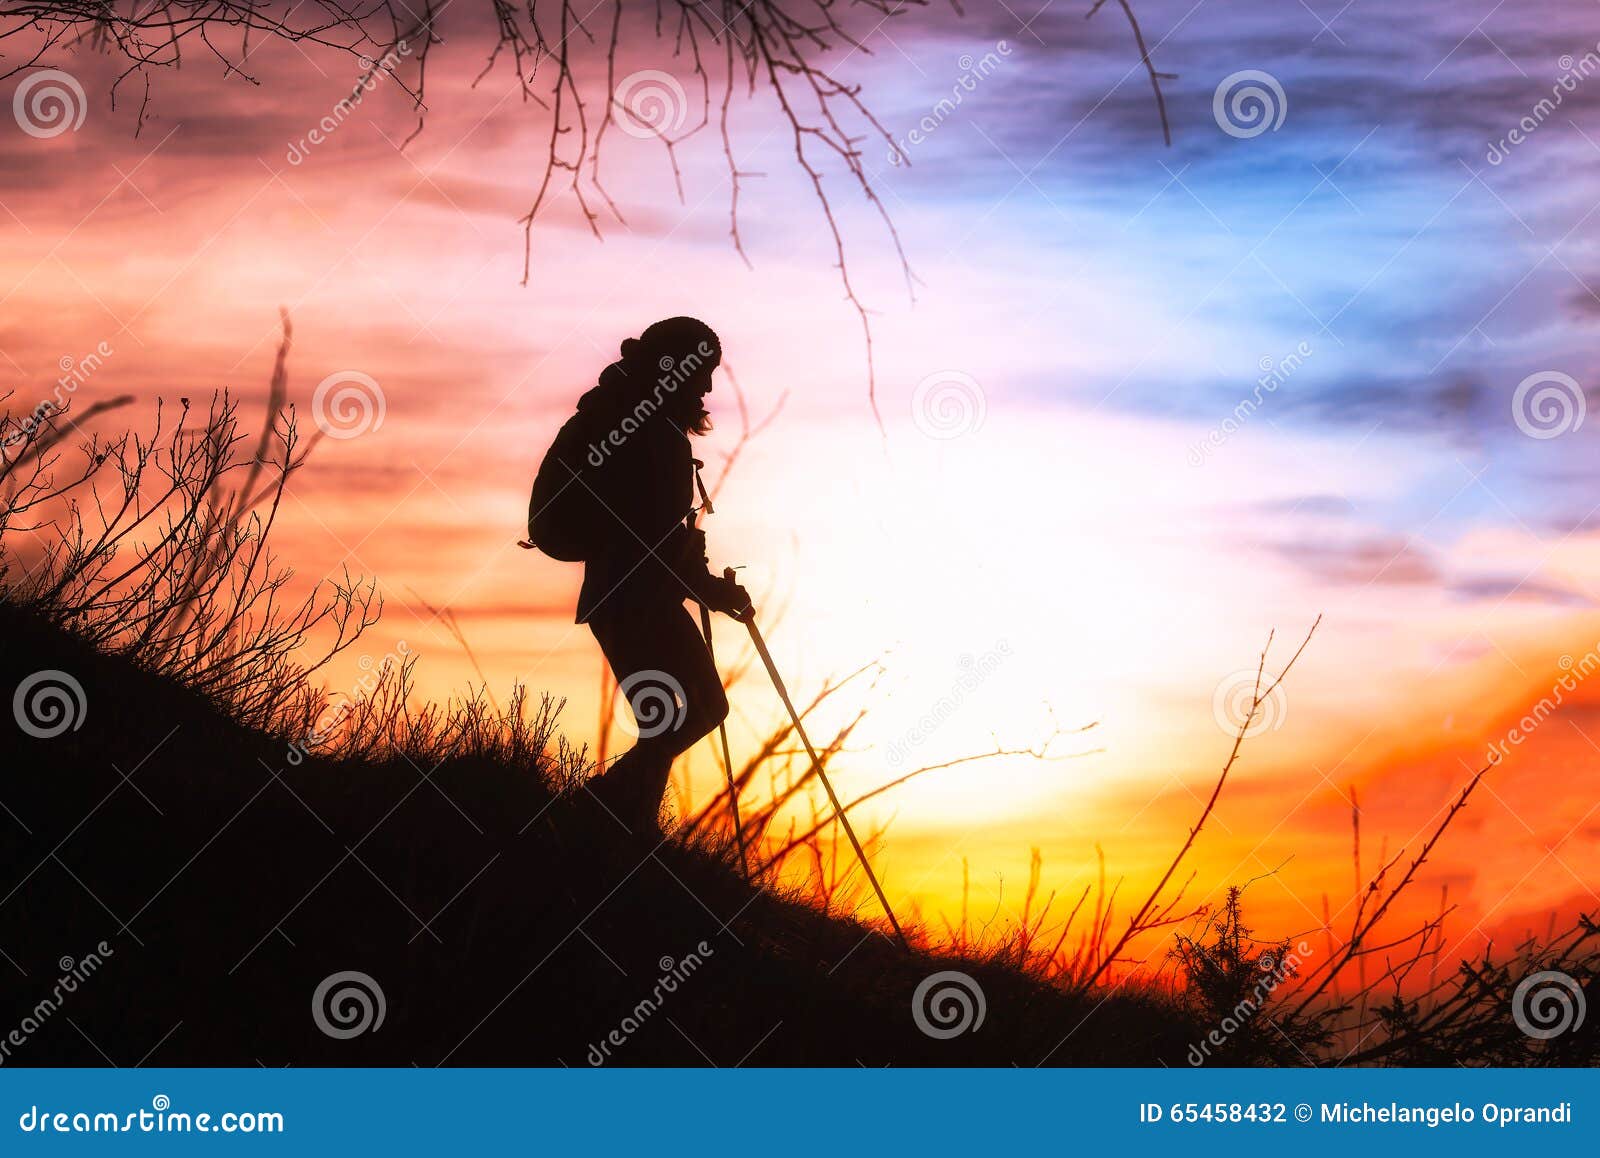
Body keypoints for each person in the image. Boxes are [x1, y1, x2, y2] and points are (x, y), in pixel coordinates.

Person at [570, 317, 750, 832]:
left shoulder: (639, 423)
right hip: (636, 601)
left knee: (669, 718)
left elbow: (655, 536)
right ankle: (602, 808)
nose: (709, 386)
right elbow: (656, 540)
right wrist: (714, 592)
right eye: (703, 371)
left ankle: (627, 829)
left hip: (620, 598)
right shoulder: (654, 434)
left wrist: (703, 581)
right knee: (700, 708)